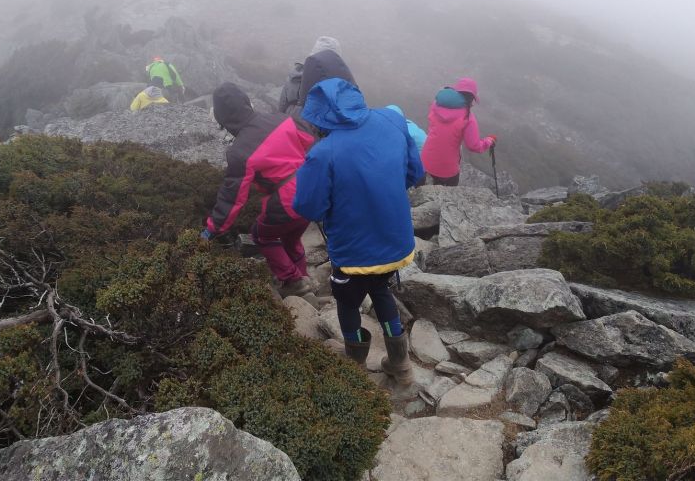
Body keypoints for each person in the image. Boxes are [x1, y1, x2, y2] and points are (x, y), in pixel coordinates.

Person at [293, 49, 424, 385]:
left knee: (348, 304)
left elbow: (308, 208)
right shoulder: (393, 121)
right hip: (396, 243)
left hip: (352, 253)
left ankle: (352, 370)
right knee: (381, 291)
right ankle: (401, 364)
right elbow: (414, 173)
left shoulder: (323, 153)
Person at [201, 82, 318, 301]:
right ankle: (304, 280)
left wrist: (212, 229)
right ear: (247, 102)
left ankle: (293, 282)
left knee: (262, 235)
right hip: (312, 191)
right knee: (291, 240)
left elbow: (232, 197)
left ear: (222, 118)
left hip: (286, 201)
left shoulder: (240, 151)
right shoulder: (282, 119)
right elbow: (310, 141)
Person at [420, 77, 497, 186]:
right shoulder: (468, 117)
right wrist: (489, 141)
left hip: (424, 163)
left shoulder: (436, 105)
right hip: (447, 170)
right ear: (472, 99)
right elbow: (473, 146)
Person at [278, 36, 342, 130]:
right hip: (317, 132)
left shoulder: (296, 74)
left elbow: (282, 105)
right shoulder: (339, 84)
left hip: (291, 124)